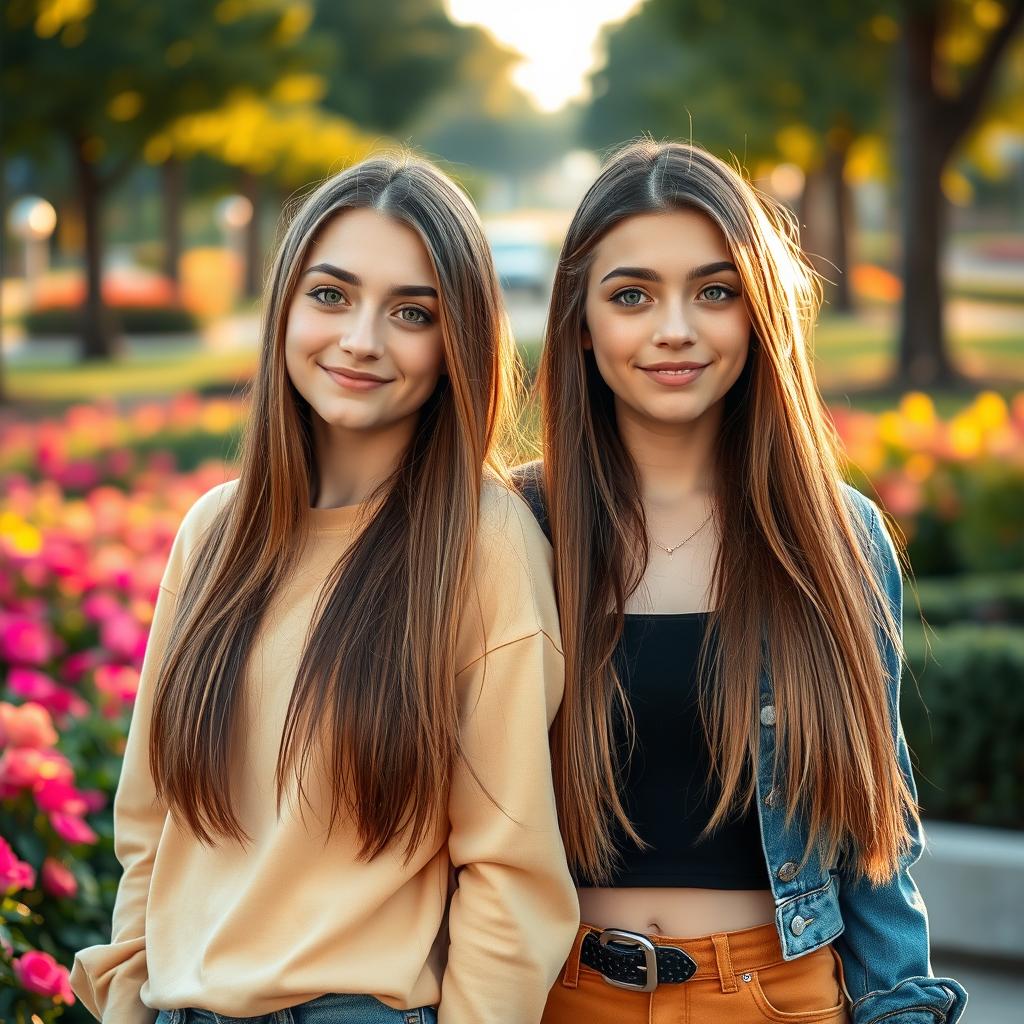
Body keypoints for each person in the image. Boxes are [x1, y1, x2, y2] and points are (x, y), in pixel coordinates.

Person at [71, 154, 578, 1024]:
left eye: (410, 312)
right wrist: (127, 1001)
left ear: (458, 339)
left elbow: (511, 875)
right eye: (332, 295)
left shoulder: (484, 548)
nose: (361, 340)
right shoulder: (216, 534)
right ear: (285, 309)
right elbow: (152, 824)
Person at [516, 140, 966, 1024]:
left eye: (714, 291)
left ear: (760, 313)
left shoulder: (836, 536)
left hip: (777, 998)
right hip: (548, 998)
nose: (674, 328)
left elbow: (875, 833)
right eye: (632, 295)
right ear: (580, 319)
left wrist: (900, 1007)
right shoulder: (511, 529)